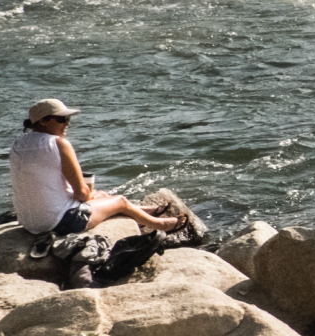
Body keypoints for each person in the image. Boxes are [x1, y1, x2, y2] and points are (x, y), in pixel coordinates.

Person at [10, 99, 184, 237]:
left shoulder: (18, 144)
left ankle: (143, 212)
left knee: (102, 196)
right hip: (58, 223)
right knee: (119, 201)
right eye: (61, 119)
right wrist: (89, 193)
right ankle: (160, 224)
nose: (67, 123)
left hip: (29, 223)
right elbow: (82, 194)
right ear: (42, 121)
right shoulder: (58, 144)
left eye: (68, 119)